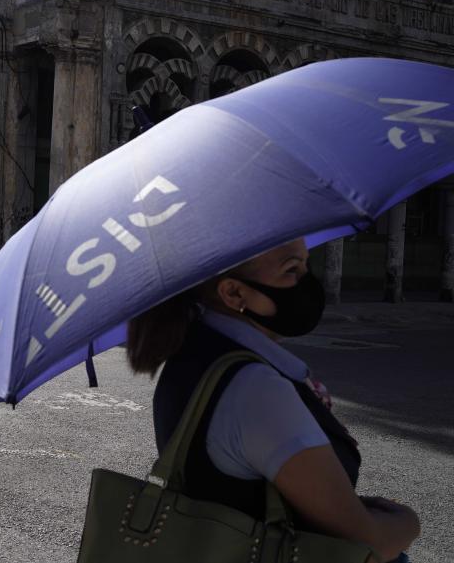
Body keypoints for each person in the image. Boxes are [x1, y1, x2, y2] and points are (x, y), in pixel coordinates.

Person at [128, 238, 419, 563]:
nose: (307, 283)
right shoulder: (256, 388)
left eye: (306, 265)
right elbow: (367, 543)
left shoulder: (195, 353)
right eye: (291, 270)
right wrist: (408, 520)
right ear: (234, 293)